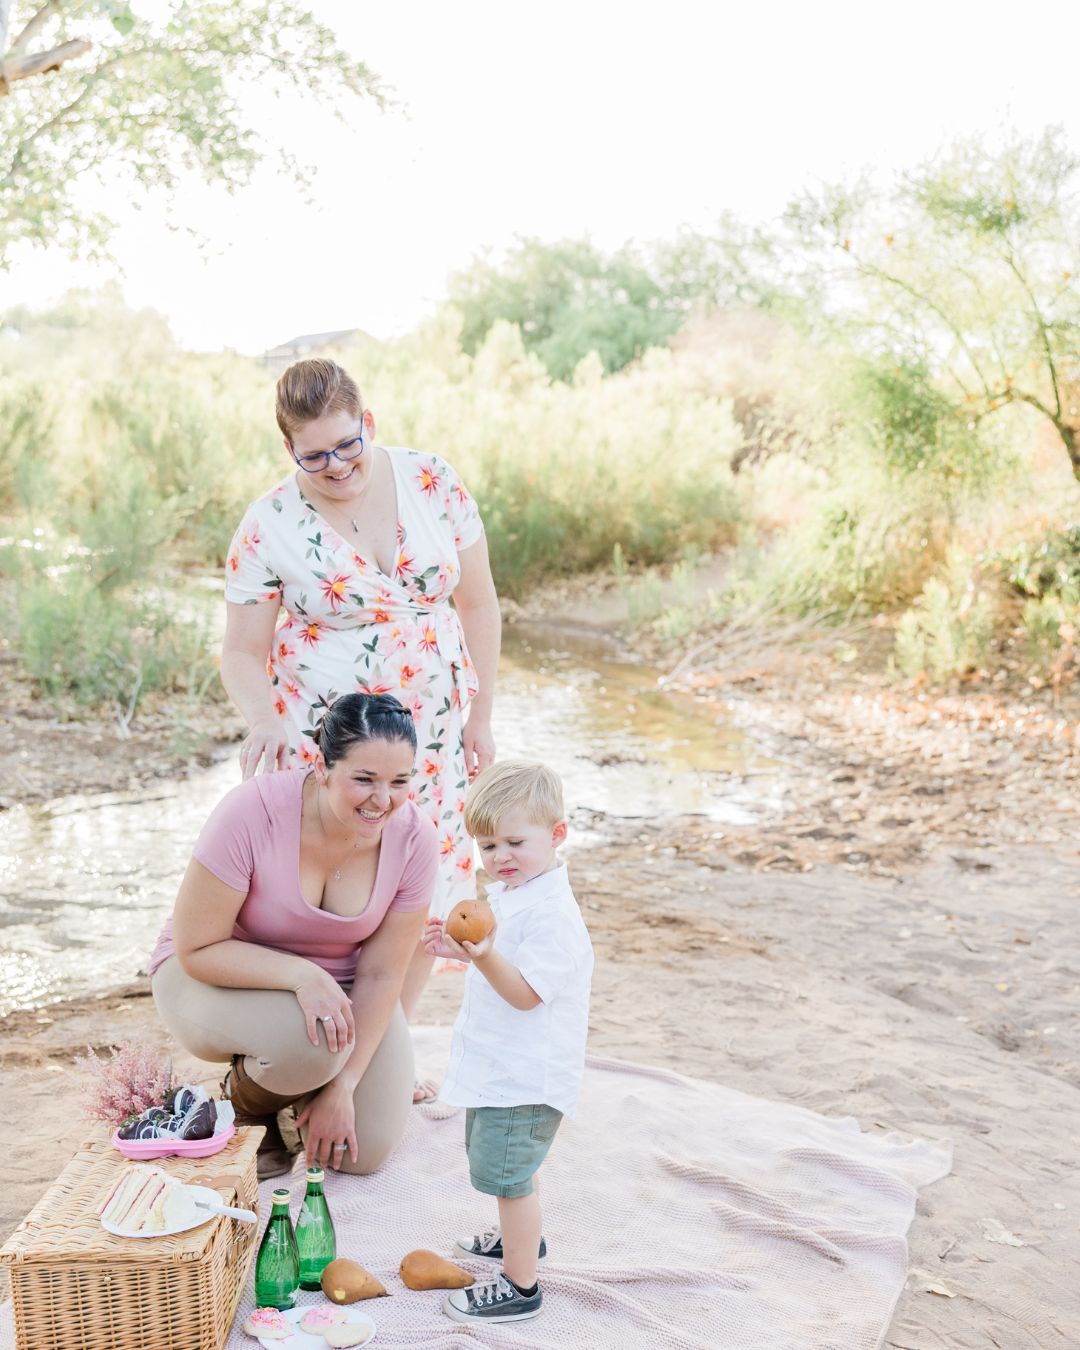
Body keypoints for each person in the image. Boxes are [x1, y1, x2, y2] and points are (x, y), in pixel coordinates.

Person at [219, 357, 501, 1065]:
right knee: (342, 884)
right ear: (290, 449)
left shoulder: (433, 480)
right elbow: (242, 652)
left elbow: (479, 602)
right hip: (331, 732)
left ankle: (382, 1053)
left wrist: (481, 714)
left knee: (425, 882)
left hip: (432, 726)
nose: (337, 465)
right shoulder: (268, 523)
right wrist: (263, 720)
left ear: (368, 422)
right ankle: (310, 1047)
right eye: (315, 455)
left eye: (348, 445)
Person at [149, 693, 438, 1180]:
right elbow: (197, 947)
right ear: (322, 767)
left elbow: (384, 972)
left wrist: (343, 1087)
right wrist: (303, 976)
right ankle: (249, 1104)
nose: (382, 800)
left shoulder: (415, 840)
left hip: (337, 993)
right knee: (314, 1047)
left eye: (399, 782)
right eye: (364, 779)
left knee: (356, 1154)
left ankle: (301, 1085)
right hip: (212, 973)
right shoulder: (251, 811)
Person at [422, 760, 593, 1326]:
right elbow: (502, 960)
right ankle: (520, 1240)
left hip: (527, 1077)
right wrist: (457, 951)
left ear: (558, 835)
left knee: (509, 1176)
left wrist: (484, 954)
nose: (500, 857)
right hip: (502, 1070)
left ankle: (522, 1284)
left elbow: (525, 994)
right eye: (488, 844)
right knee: (500, 1162)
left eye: (516, 842)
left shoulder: (554, 916)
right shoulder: (517, 893)